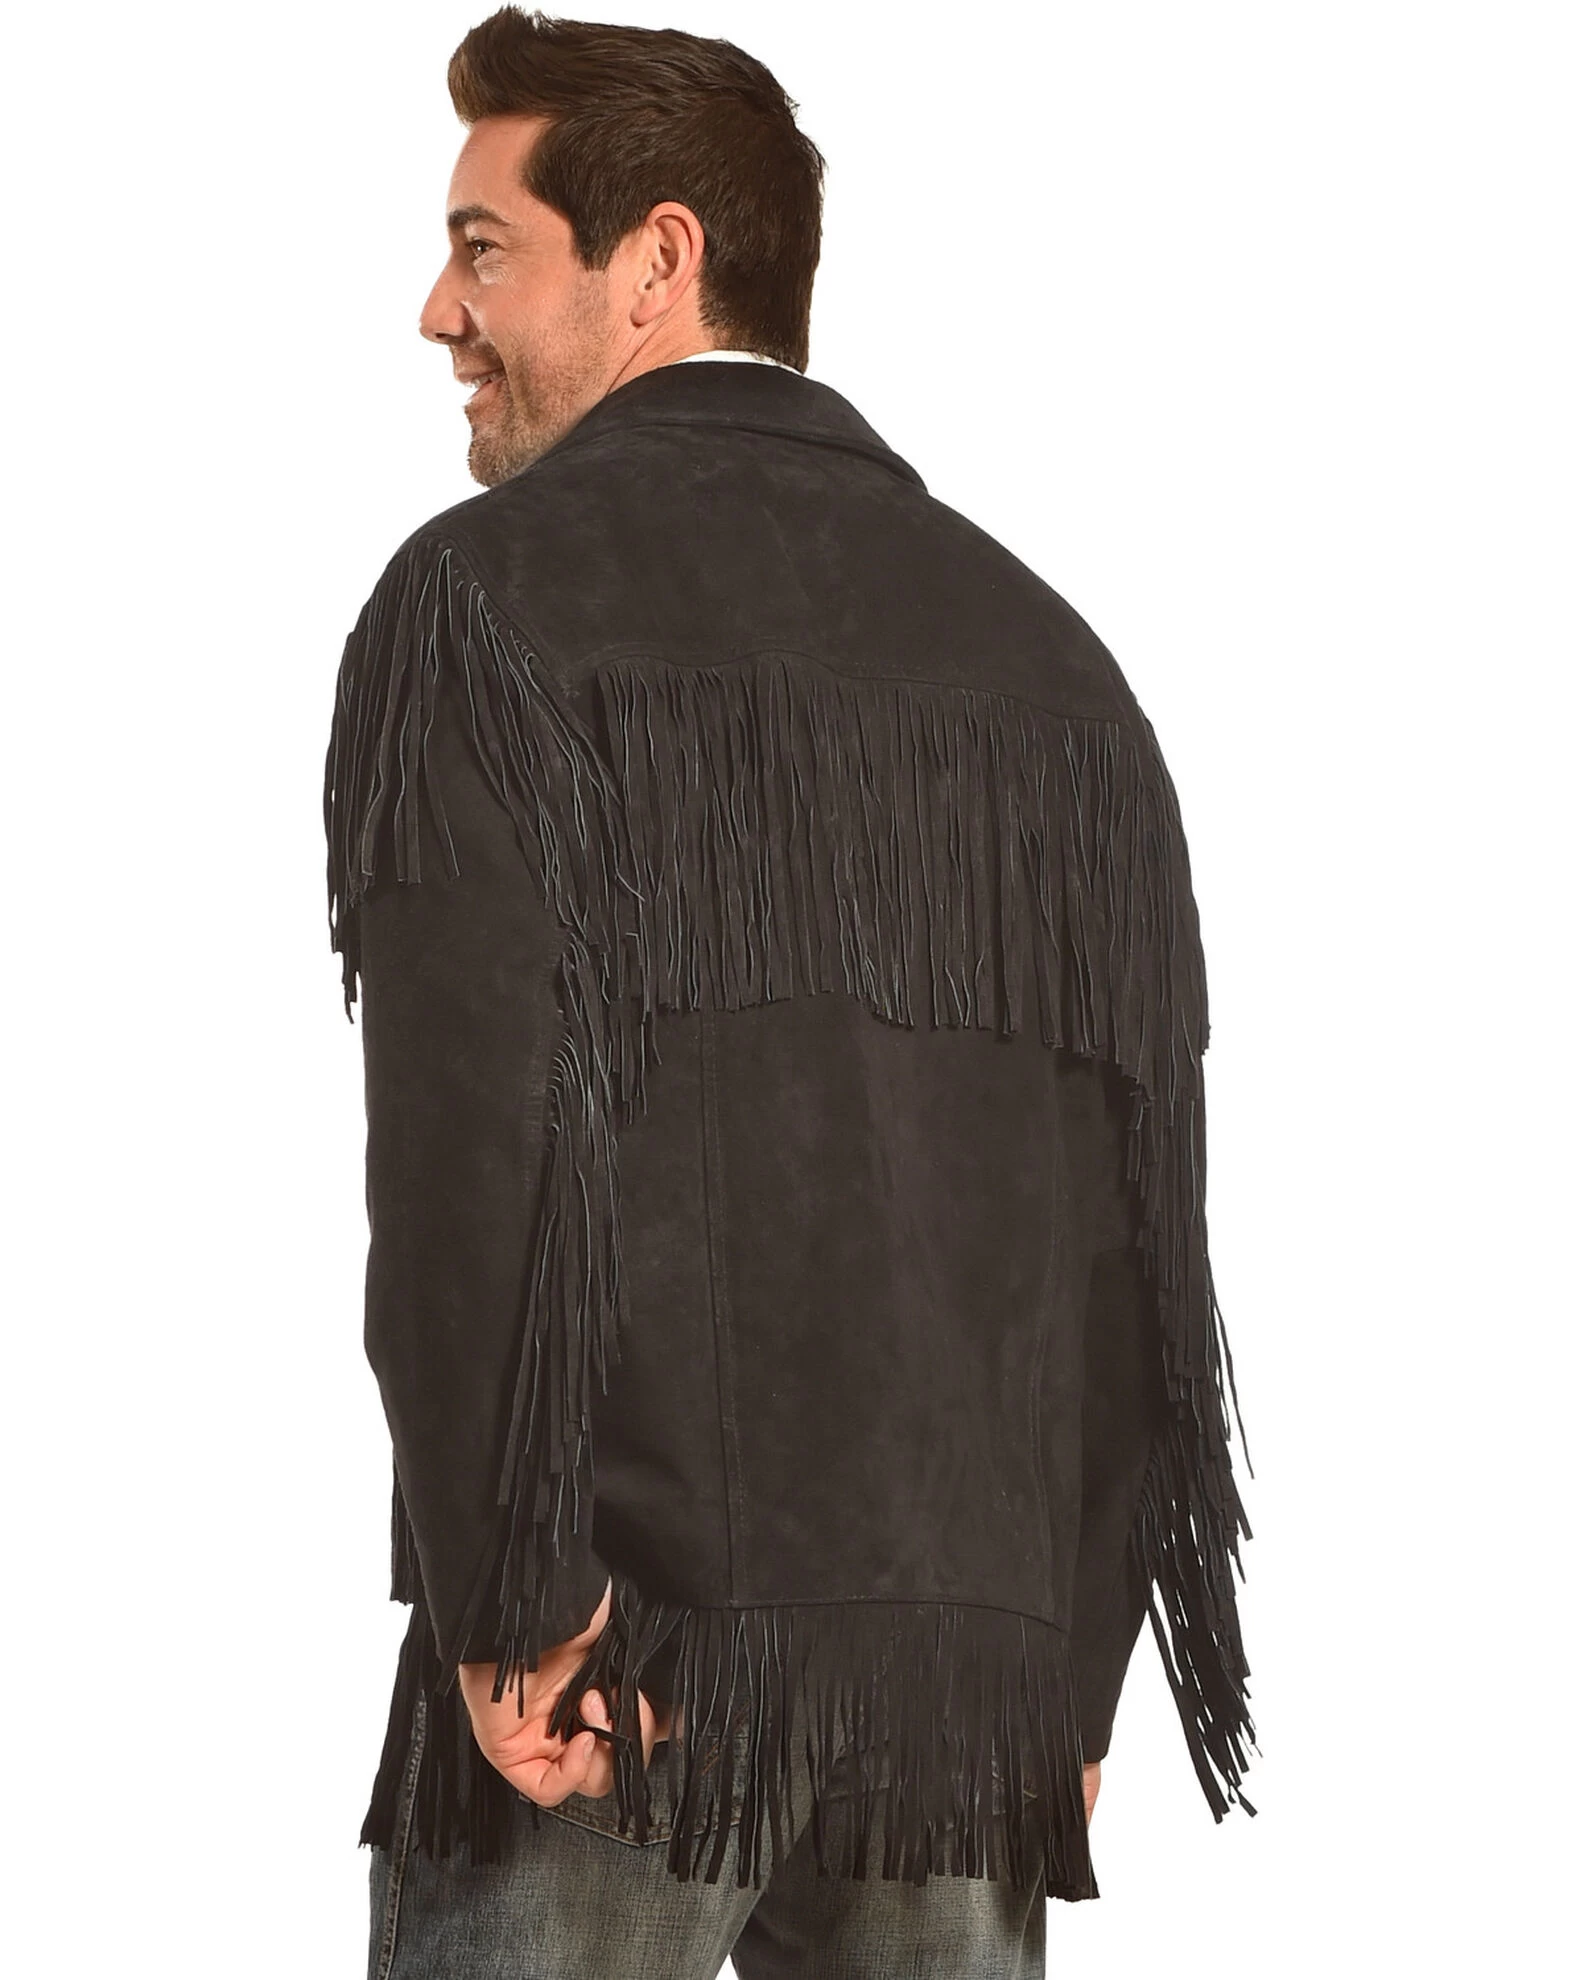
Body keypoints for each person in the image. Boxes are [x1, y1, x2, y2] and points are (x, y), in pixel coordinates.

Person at [323, 11, 1258, 1977]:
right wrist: (1067, 1658)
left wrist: (514, 1596)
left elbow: (471, 1142)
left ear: (657, 260)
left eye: (485, 248)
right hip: (960, 1693)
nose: (437, 310)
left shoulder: (487, 598)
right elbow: (1133, 1230)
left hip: (612, 1665)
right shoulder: (1053, 665)